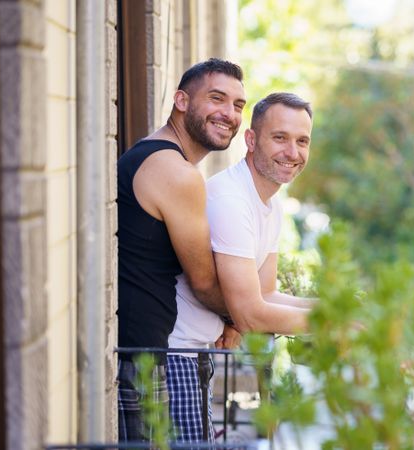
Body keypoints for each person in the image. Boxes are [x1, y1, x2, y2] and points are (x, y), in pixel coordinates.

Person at [167, 92, 316, 443]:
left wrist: (333, 309)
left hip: (204, 356)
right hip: (176, 357)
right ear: (251, 140)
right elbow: (250, 314)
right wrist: (332, 323)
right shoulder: (231, 200)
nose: (292, 153)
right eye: (280, 138)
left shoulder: (270, 204)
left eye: (302, 141)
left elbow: (265, 294)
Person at [116, 58, 245, 442]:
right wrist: (241, 316)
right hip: (142, 357)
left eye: (238, 105)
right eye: (217, 98)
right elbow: (203, 282)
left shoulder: (155, 155)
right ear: (181, 101)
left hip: (143, 351)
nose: (229, 113)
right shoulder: (176, 173)